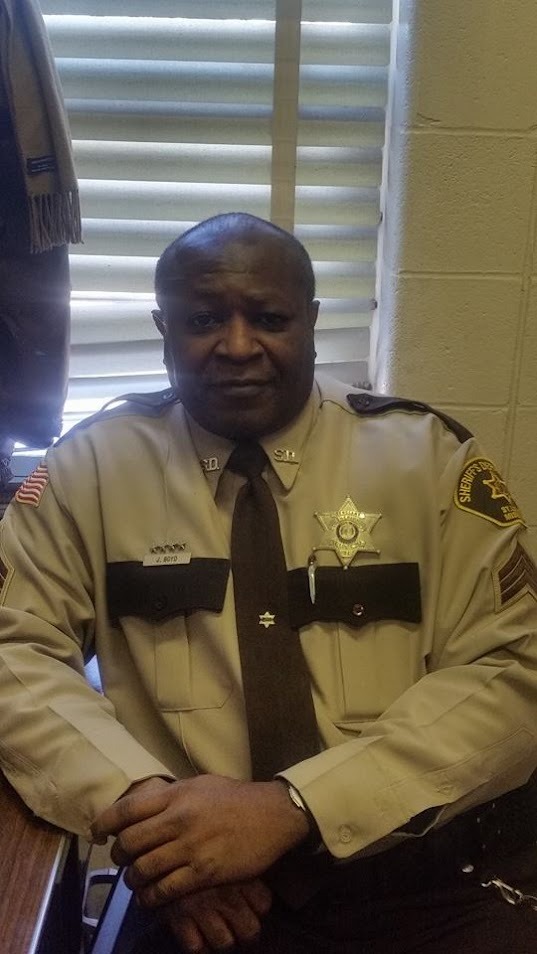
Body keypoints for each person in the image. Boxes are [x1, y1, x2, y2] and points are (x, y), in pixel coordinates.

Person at [1, 212, 537, 954]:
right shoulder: (88, 470)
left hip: (418, 873)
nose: (237, 346)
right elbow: (15, 652)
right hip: (193, 885)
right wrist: (149, 816)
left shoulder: (428, 461)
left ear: (310, 322)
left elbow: (511, 668)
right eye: (202, 320)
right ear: (162, 328)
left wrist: (295, 807)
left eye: (269, 318)